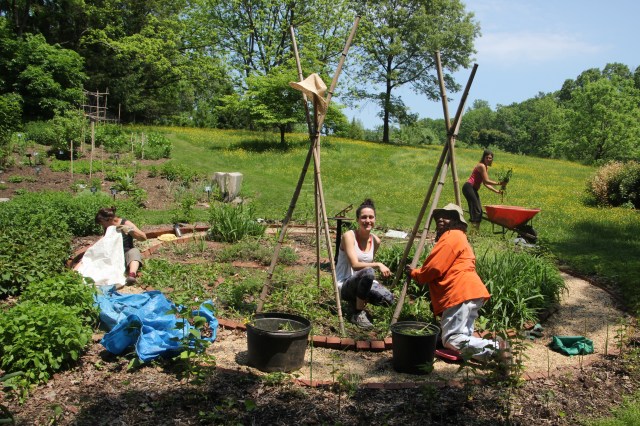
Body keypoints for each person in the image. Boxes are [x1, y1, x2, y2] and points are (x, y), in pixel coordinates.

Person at [405, 203, 508, 363]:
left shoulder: (452, 236)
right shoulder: (459, 237)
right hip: (470, 293)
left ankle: (495, 348)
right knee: (463, 336)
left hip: (458, 293)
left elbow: (433, 268)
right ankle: (493, 356)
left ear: (456, 222)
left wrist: (414, 273)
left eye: (447, 216)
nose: (440, 219)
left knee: (452, 339)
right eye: (439, 216)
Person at [335, 199, 395, 329]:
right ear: (357, 220)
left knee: (389, 299)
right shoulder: (349, 236)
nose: (367, 220)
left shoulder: (375, 241)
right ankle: (357, 314)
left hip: (363, 280)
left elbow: (366, 264)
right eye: (363, 217)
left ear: (375, 219)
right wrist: (378, 264)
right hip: (345, 284)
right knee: (369, 272)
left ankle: (358, 300)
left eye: (371, 217)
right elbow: (355, 265)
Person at [95, 207, 147, 285]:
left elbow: (143, 237)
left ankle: (132, 275)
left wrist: (130, 230)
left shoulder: (125, 223)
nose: (102, 225)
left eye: (102, 223)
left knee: (134, 252)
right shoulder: (107, 227)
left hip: (126, 254)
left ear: (109, 220)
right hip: (114, 256)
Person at [462, 149, 506, 230]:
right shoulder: (481, 166)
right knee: (476, 210)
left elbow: (485, 184)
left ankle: (475, 232)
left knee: (478, 211)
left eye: (490, 158)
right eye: (487, 157)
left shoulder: (485, 167)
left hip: (472, 189)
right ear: (483, 158)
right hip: (469, 187)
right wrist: (500, 183)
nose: (488, 159)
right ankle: (473, 233)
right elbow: (486, 180)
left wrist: (496, 191)